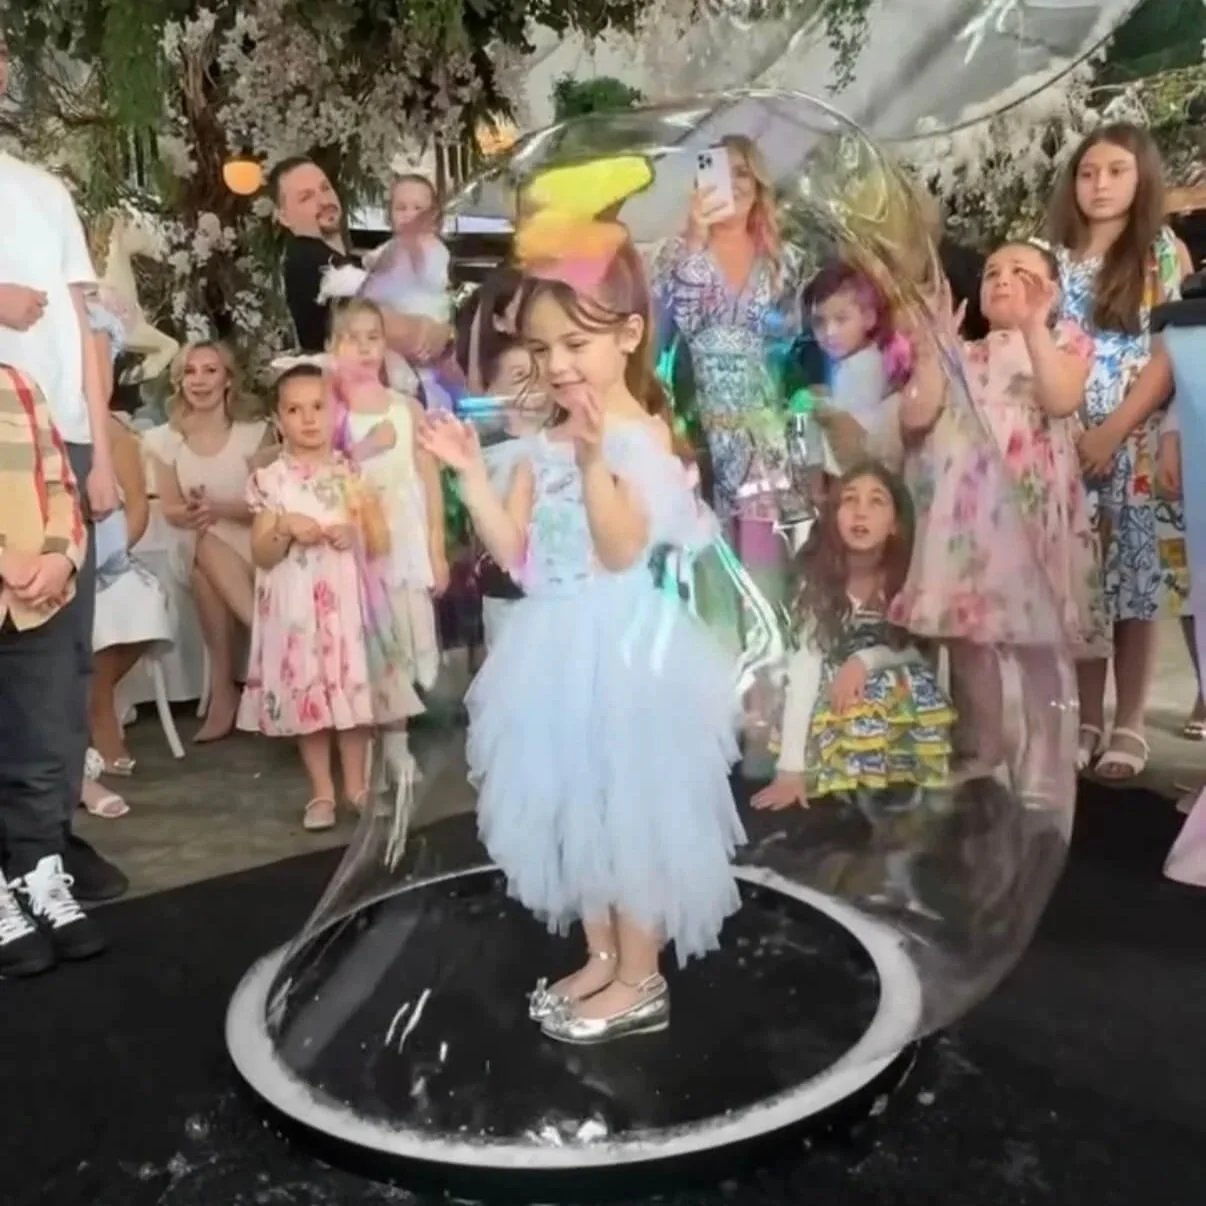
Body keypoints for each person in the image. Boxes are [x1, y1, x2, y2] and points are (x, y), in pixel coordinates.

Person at [419, 219, 745, 1045]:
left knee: (628, 807)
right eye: (542, 349)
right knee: (576, 807)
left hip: (625, 650)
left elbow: (621, 545)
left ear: (628, 334)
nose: (558, 366)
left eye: (576, 344)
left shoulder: (638, 436)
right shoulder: (543, 441)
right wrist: (466, 473)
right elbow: (521, 560)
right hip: (551, 644)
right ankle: (602, 957)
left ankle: (641, 977)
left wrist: (596, 459)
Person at [0, 25, 127, 901]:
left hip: (63, 441)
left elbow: (81, 324)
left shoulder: (44, 191)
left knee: (59, 658)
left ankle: (43, 849)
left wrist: (103, 447)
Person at [890, 254, 1088, 783]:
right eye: (991, 272)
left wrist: (1033, 327)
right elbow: (914, 418)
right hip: (965, 517)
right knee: (968, 636)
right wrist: (933, 351)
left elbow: (1061, 397)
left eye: (1019, 271)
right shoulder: (964, 351)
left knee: (1036, 637)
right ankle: (986, 744)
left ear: (1050, 288)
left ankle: (1048, 753)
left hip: (1026, 508)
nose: (1001, 279)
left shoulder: (1062, 341)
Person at [1050, 122, 1190, 779]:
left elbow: (1169, 351)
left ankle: (1129, 721)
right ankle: (1083, 715)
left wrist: (1113, 430)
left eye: (1115, 172)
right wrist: (1071, 428)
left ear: (1141, 180)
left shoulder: (1161, 252)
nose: (1099, 185)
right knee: (1081, 585)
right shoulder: (1052, 255)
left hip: (1131, 436)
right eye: (1087, 172)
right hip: (1064, 439)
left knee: (1135, 584)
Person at [239, 364, 422, 830]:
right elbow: (260, 553)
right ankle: (321, 791)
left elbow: (379, 540)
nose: (308, 419)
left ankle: (356, 786)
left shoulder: (349, 473)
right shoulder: (270, 480)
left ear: (334, 412)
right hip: (298, 609)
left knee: (351, 694)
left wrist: (352, 530)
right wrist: (283, 527)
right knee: (310, 699)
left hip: (346, 606)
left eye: (317, 407)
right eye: (295, 410)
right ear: (279, 420)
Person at [753, 462, 952, 809]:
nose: (861, 512)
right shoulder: (815, 577)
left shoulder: (908, 577)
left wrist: (865, 661)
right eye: (849, 500)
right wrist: (790, 769)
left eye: (876, 502)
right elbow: (806, 662)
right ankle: (843, 790)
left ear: (895, 524)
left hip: (890, 680)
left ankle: (897, 784)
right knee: (827, 689)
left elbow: (920, 650)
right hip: (830, 685)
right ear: (832, 515)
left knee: (893, 683)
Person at [0, 363, 106, 975]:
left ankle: (39, 877)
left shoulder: (17, 383)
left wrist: (61, 557)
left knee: (40, 753)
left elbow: (62, 482)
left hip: (38, 602)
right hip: (11, 574)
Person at [145, 342, 270, 742]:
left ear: (228, 379)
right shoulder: (165, 440)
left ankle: (224, 692)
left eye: (210, 371)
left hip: (255, 542)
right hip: (198, 539)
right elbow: (170, 508)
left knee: (205, 571)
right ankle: (272, 637)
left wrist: (219, 508)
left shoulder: (254, 432)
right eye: (191, 372)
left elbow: (268, 502)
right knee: (203, 545)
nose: (200, 380)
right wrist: (199, 511)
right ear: (180, 381)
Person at [328, 298, 447, 692]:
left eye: (373, 338)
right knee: (371, 624)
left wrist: (437, 550)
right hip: (361, 536)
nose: (364, 348)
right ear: (333, 346)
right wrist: (363, 450)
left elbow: (428, 480)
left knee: (410, 613)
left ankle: (406, 714)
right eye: (352, 339)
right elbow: (321, 473)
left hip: (405, 533)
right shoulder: (333, 413)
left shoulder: (406, 408)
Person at [271, 156, 451, 365]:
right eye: (306, 197)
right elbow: (395, 333)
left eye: (325, 188)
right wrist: (434, 331)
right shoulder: (309, 261)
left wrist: (441, 330)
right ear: (284, 216)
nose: (323, 200)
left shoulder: (356, 261)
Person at [803, 261, 911, 478]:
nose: (829, 332)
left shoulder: (867, 366)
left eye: (841, 319)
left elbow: (851, 438)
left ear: (869, 318)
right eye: (819, 322)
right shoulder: (851, 363)